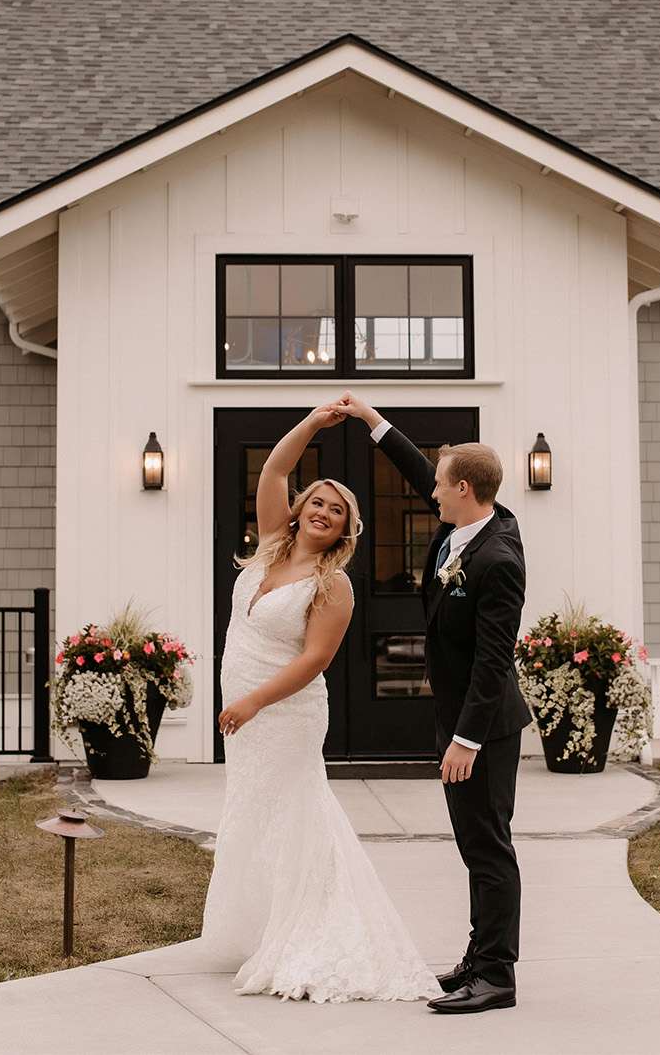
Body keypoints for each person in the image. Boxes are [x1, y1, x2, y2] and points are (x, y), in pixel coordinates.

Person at [199, 401, 439, 1004]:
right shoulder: (273, 546)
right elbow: (273, 474)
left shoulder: (334, 586)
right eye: (318, 503)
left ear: (344, 528)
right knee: (254, 811)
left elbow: (314, 662)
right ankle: (260, 925)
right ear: (301, 510)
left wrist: (253, 702)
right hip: (247, 708)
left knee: (297, 811)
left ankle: (312, 931)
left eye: (337, 510)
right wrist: (312, 423)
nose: (324, 513)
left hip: (285, 713)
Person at [340, 392, 531, 1016]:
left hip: (485, 728)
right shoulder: (466, 524)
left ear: (467, 489)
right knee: (474, 843)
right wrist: (373, 422)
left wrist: (466, 740)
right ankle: (478, 958)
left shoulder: (497, 559)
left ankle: (496, 976)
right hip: (462, 720)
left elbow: (492, 660)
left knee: (487, 847)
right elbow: (420, 470)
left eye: (444, 485)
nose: (434, 493)